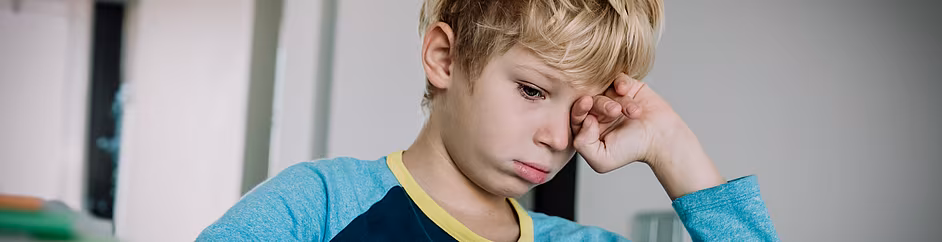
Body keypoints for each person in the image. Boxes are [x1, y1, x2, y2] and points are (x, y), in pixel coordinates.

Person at [198, 0, 779, 241]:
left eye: (578, 110)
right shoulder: (320, 203)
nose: (557, 137)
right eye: (531, 90)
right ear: (445, 58)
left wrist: (675, 149)